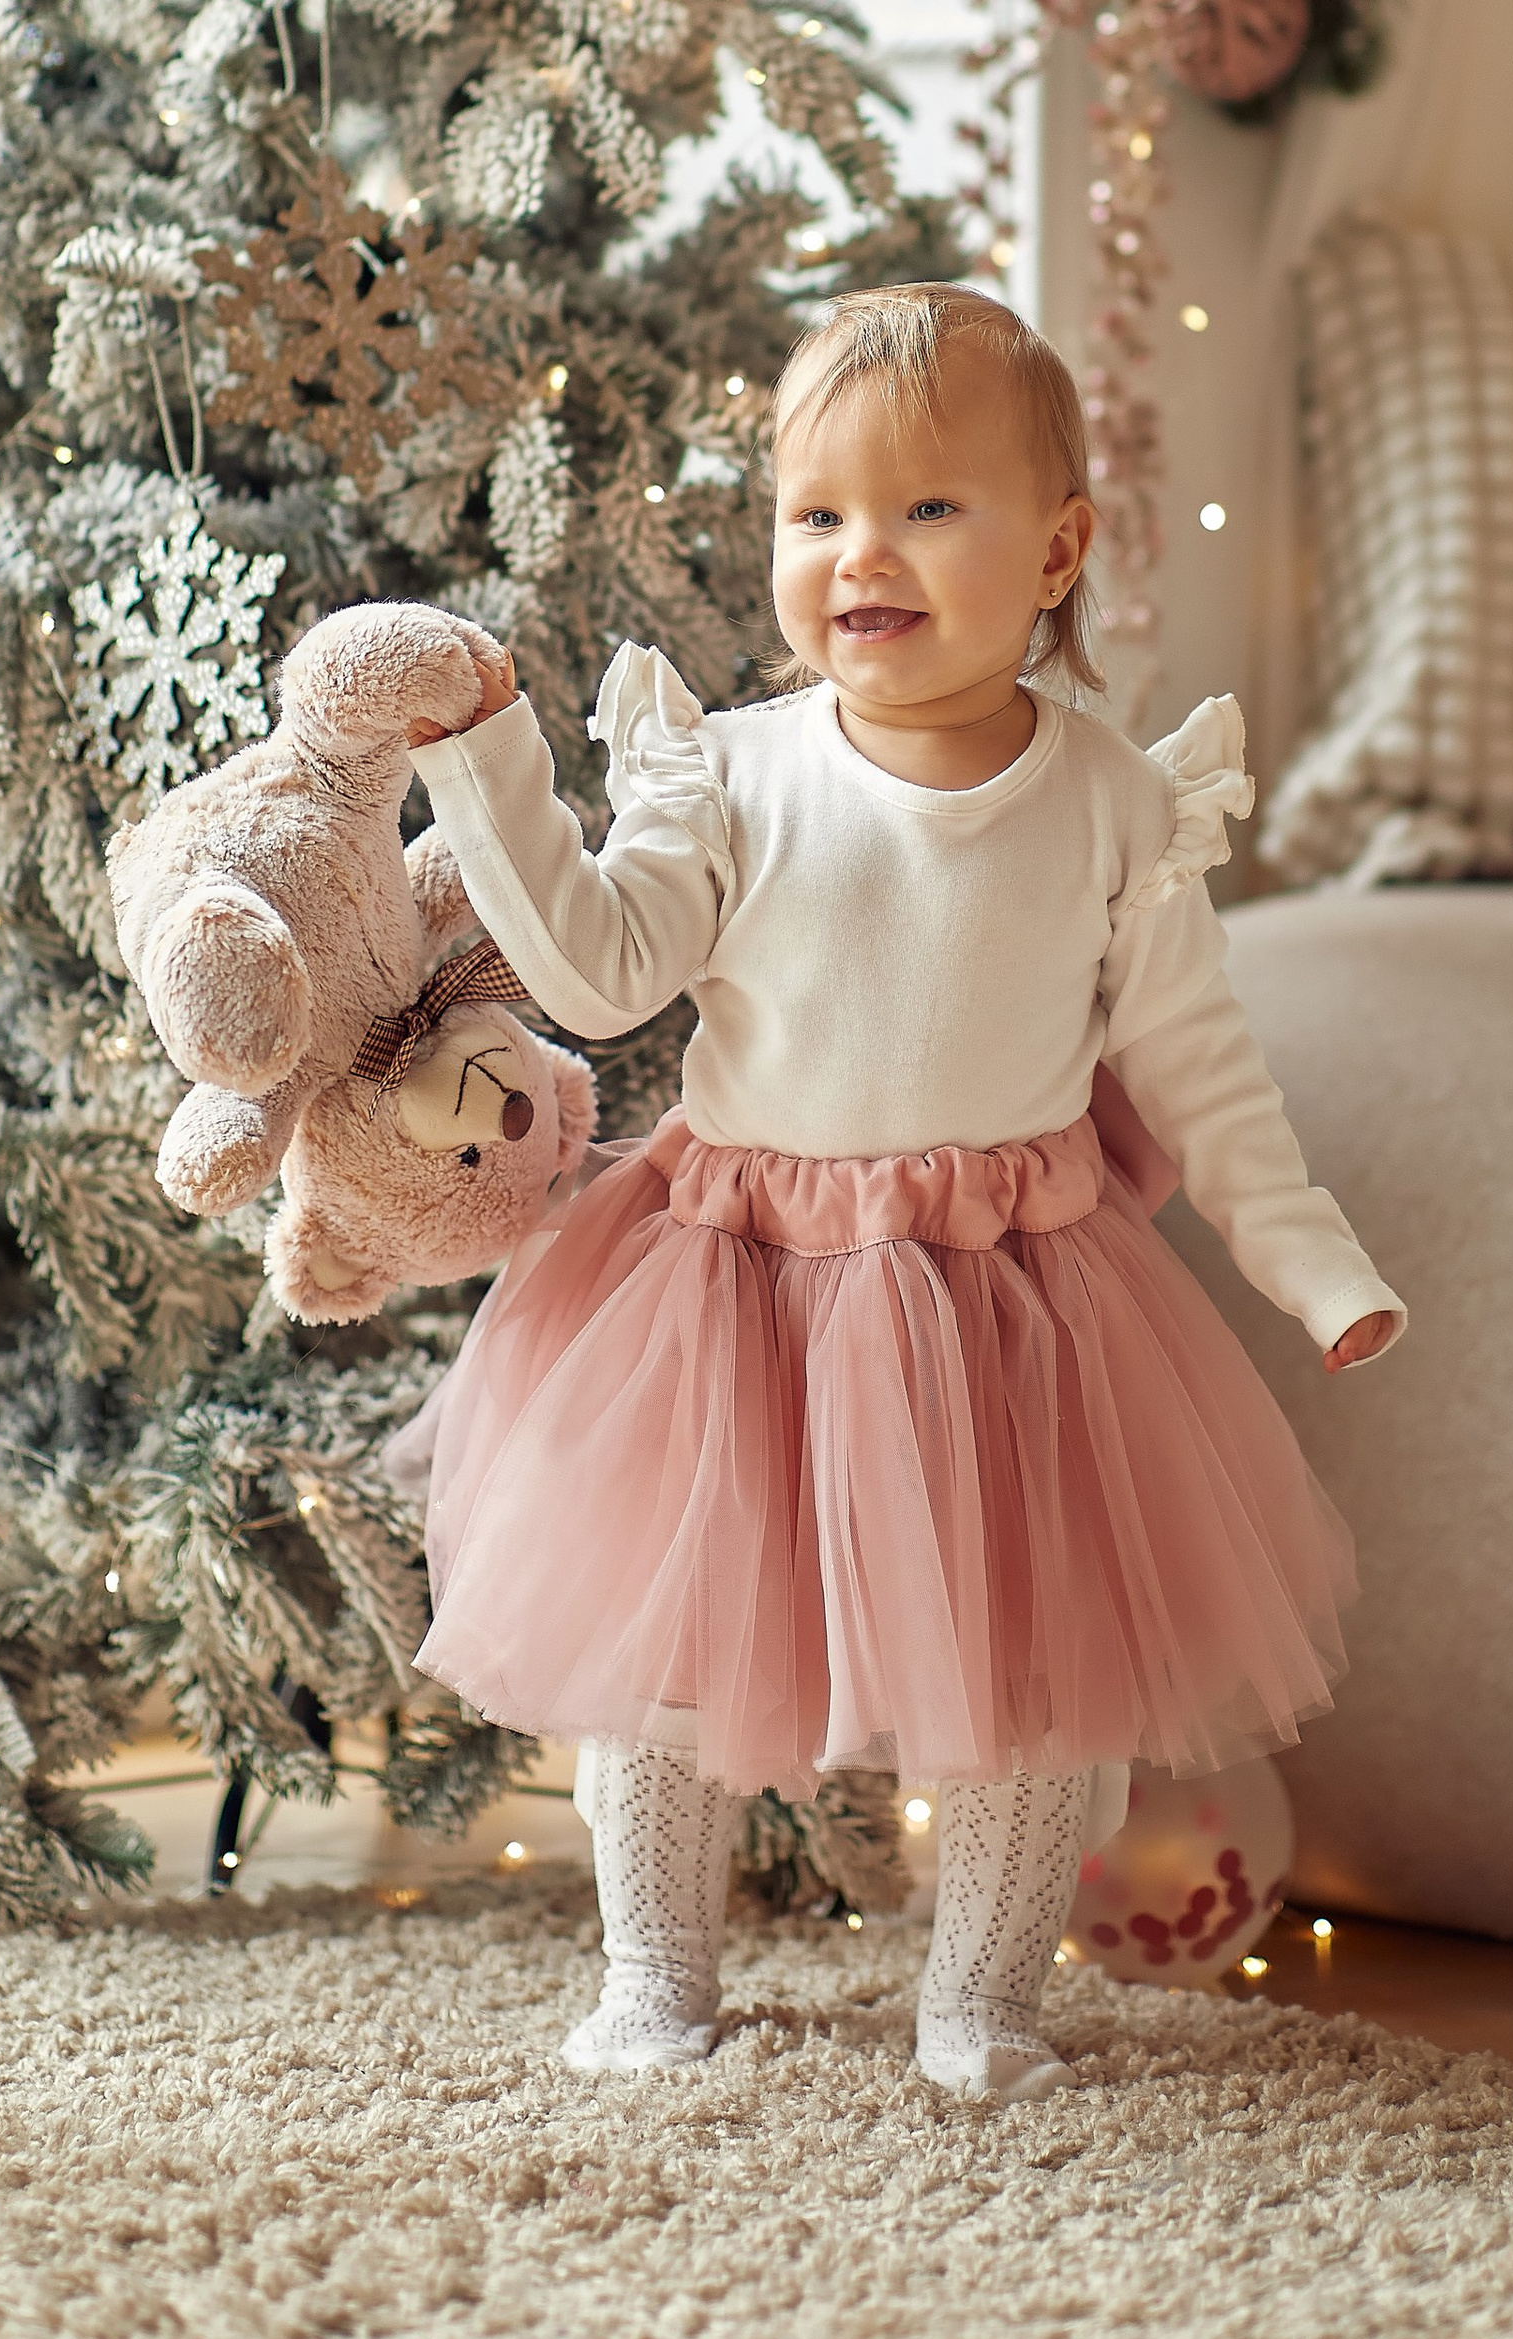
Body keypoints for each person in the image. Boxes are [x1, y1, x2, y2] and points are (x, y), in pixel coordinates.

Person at [406, 283, 1405, 2100]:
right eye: (819, 514)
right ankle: (654, 1974)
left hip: (1009, 1296)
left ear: (1057, 551)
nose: (864, 553)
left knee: (1039, 1672)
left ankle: (987, 2003)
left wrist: (1314, 1264)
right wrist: (488, 770)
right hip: (738, 1280)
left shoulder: (1110, 800)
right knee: (676, 1647)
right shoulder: (735, 773)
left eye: (929, 508)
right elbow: (604, 972)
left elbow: (1199, 1064)